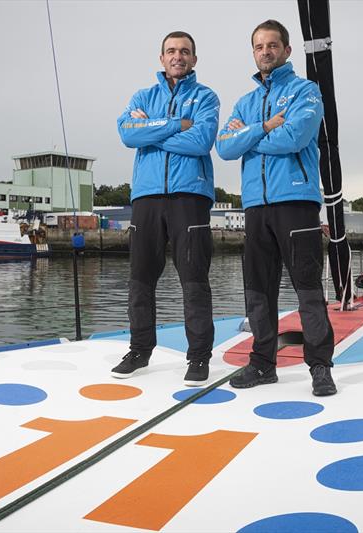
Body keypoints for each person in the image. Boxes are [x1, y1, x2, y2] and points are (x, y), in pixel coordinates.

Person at [216, 19, 336, 396]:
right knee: (258, 291)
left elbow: (296, 136)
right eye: (258, 46)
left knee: (307, 289)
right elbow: (225, 146)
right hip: (256, 206)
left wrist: (250, 136)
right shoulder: (245, 102)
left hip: (296, 201)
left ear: (286, 50)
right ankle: (263, 364)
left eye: (272, 45)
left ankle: (320, 367)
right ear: (253, 52)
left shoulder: (306, 91)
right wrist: (263, 127)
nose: (265, 51)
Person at [112, 31, 219, 387]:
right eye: (171, 51)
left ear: (194, 59)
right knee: (140, 278)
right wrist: (175, 125)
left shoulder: (206, 97)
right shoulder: (143, 96)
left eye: (185, 51)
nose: (178, 56)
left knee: (194, 279)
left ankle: (199, 356)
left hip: (190, 196)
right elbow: (128, 134)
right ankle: (140, 350)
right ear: (161, 58)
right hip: (146, 196)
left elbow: (201, 140)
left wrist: (151, 128)